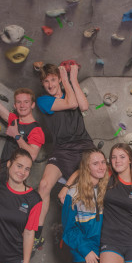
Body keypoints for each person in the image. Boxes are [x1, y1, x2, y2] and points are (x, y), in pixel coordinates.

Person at [35, 63, 95, 249]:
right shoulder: (43, 100)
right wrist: (64, 76)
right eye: (46, 81)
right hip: (62, 150)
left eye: (53, 80)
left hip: (83, 147)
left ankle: (89, 236)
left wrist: (73, 79)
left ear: (59, 80)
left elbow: (83, 105)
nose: (50, 85)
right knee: (44, 185)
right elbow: (72, 104)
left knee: (86, 194)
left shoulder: (70, 91)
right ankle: (36, 234)